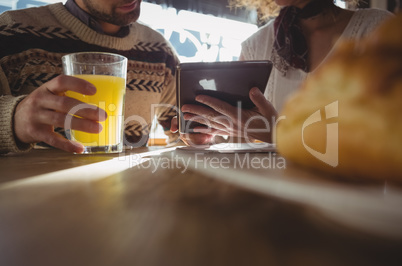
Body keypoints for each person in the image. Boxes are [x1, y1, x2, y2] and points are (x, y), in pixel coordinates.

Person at [171, 0, 392, 145]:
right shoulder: (255, 45)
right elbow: (239, 143)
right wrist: (208, 138)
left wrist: (280, 133)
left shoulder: (381, 31)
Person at [0, 0, 179, 154]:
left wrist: (197, 131)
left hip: (129, 189)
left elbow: (180, 128)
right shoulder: (10, 31)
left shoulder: (160, 50)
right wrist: (11, 120)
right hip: (35, 193)